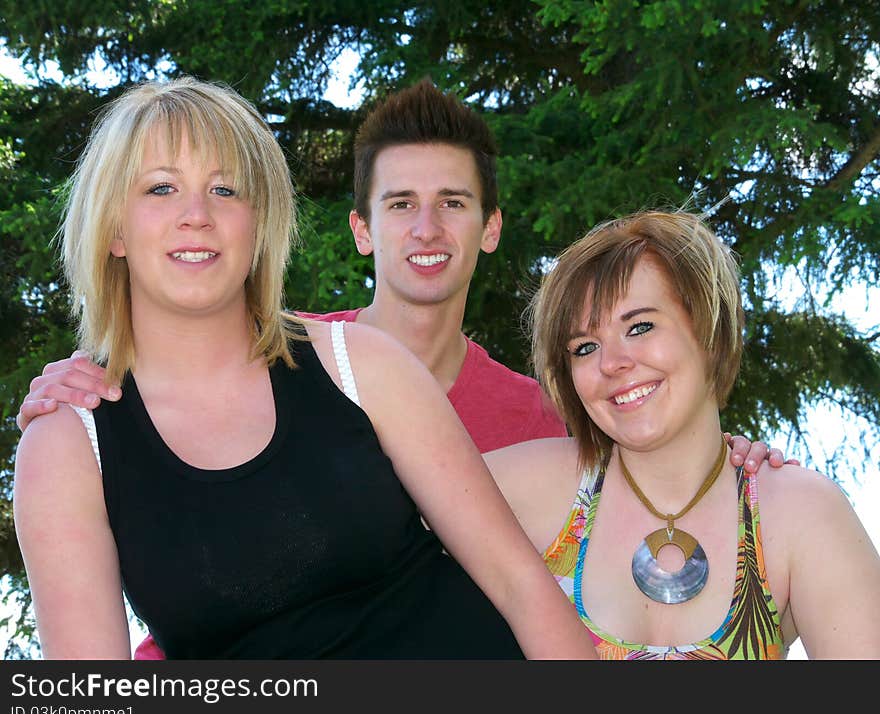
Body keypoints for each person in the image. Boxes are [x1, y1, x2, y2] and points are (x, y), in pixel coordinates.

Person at [16, 78, 788, 659]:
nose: (198, 214)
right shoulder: (69, 446)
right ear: (113, 229)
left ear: (260, 225)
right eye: (160, 189)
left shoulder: (361, 368)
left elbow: (533, 579)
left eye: (227, 189)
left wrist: (734, 466)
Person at [483, 209, 880, 659]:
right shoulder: (536, 483)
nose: (611, 363)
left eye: (640, 326)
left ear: (708, 329)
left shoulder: (796, 512)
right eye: (585, 347)